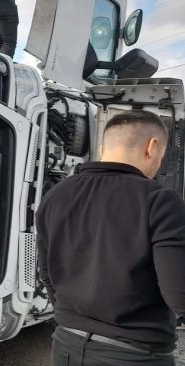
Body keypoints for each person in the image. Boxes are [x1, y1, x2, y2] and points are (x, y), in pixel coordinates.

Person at [37, 110, 185, 365]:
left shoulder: (56, 195)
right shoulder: (160, 201)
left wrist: (75, 316)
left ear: (104, 147)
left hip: (65, 347)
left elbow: (47, 273)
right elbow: (179, 294)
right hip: (133, 355)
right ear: (152, 147)